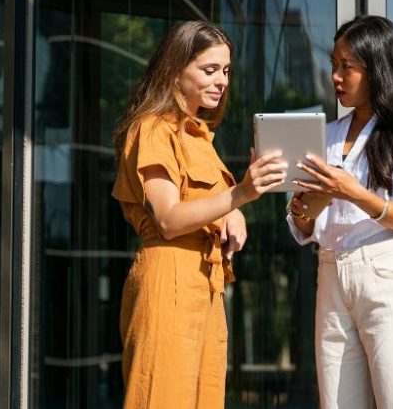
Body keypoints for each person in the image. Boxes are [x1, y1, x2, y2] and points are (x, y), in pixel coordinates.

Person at [112, 21, 287, 409]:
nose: (221, 80)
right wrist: (239, 194)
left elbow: (207, 204)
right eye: (209, 70)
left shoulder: (201, 137)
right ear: (175, 70)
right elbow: (170, 219)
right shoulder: (154, 128)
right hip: (169, 279)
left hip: (204, 285)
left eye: (225, 70)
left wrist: (231, 214)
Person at [286, 15, 393, 408]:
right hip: (330, 272)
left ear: (377, 69)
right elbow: (302, 225)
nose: (336, 77)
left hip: (388, 272)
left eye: (347, 67)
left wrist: (353, 193)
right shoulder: (324, 136)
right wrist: (306, 207)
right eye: (333, 65)